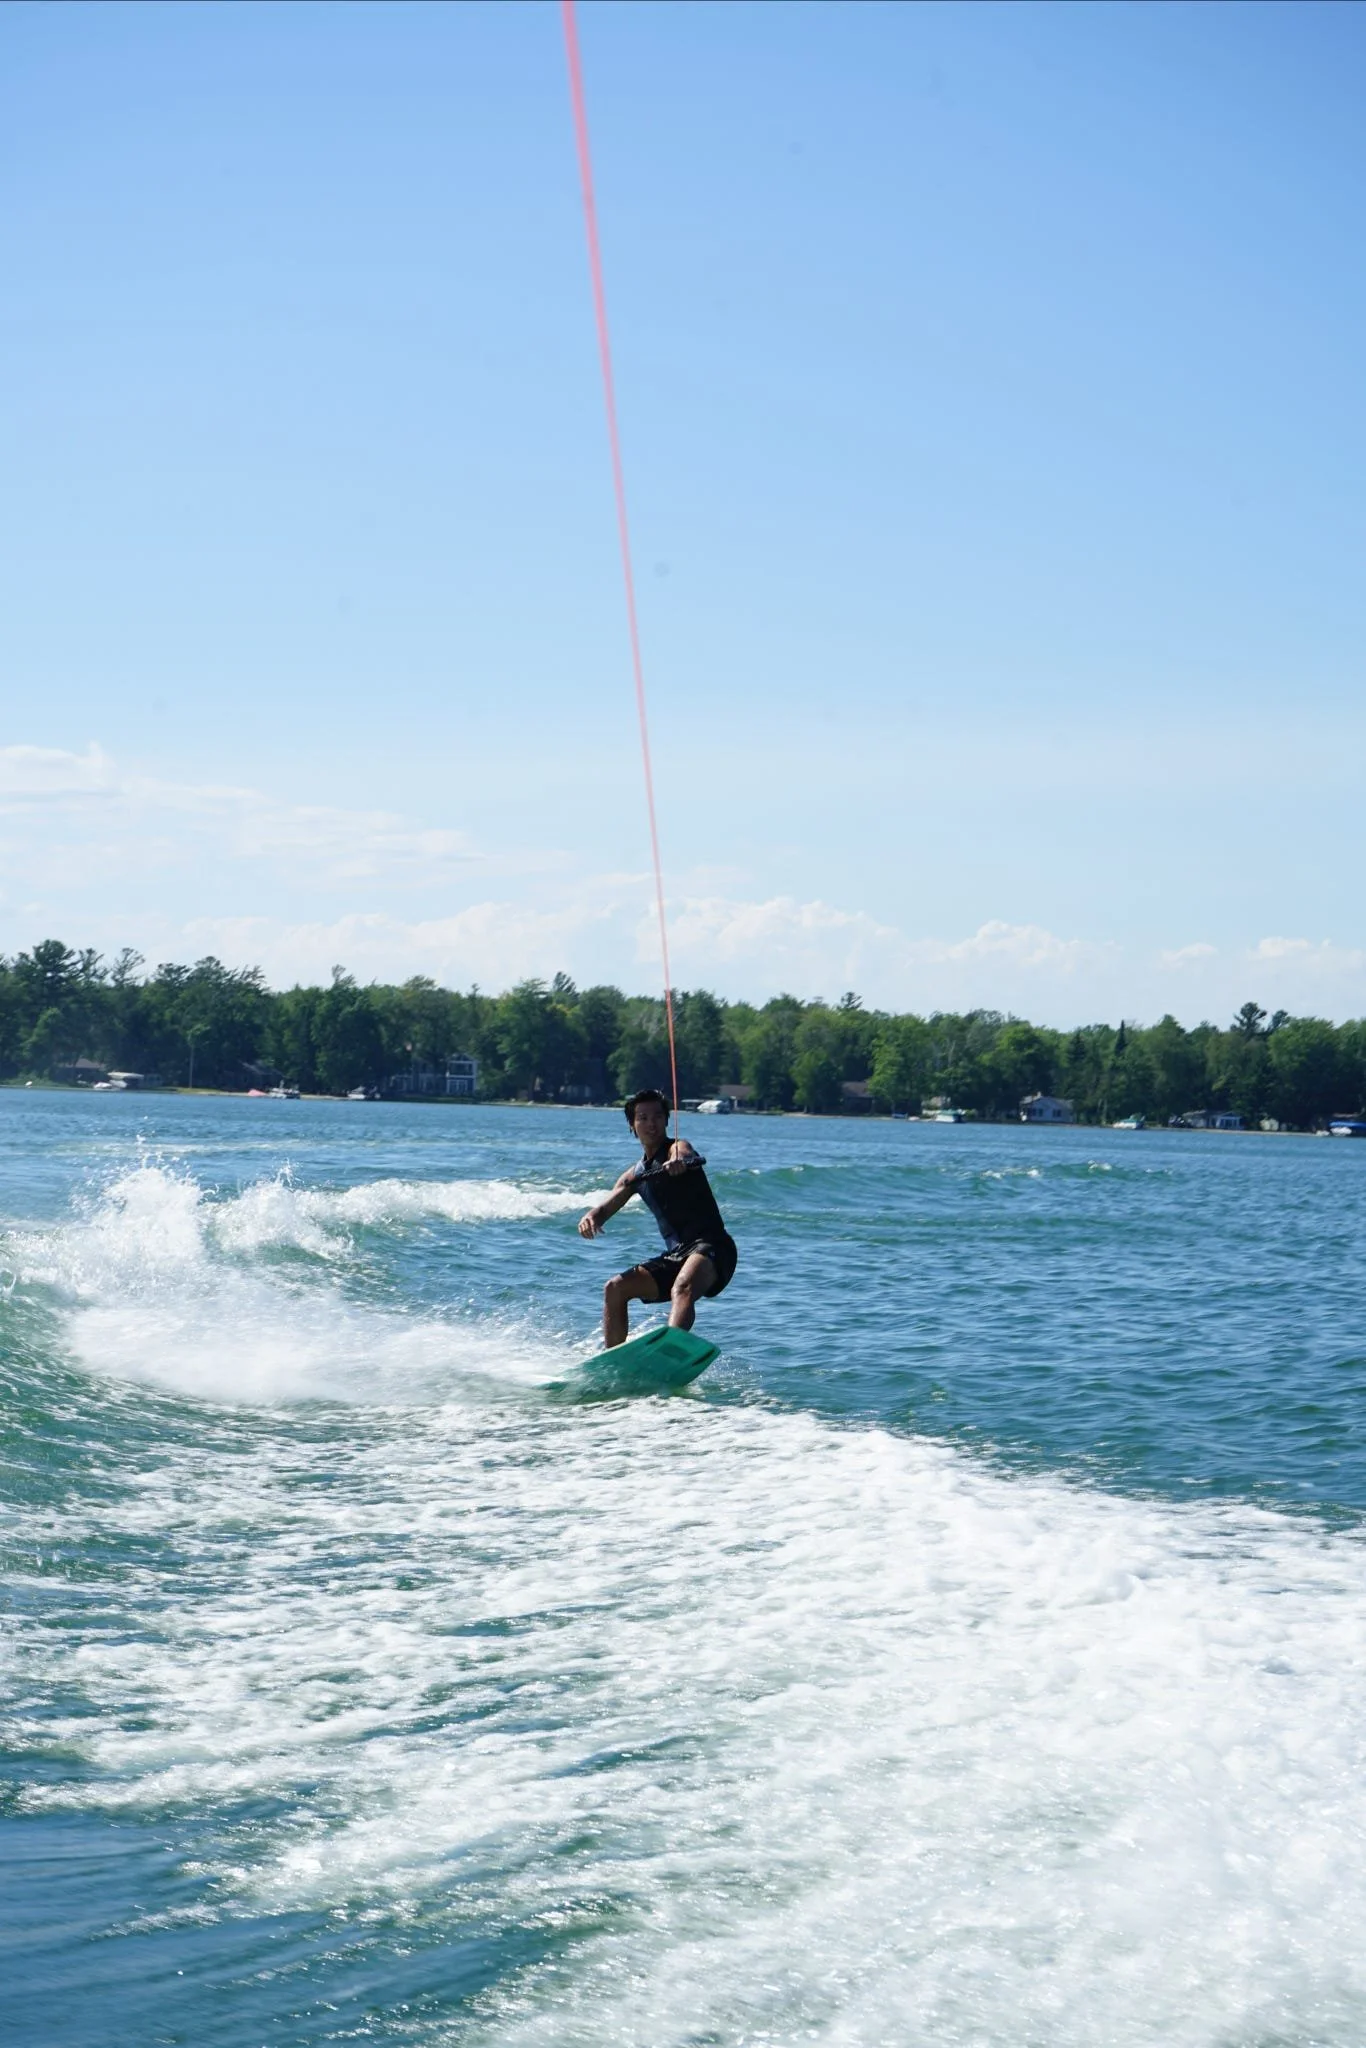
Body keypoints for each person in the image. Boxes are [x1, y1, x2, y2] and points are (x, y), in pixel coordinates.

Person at [578, 1088, 738, 1348]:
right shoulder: (634, 1175)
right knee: (615, 1288)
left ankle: (670, 1349)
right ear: (632, 1125)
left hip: (713, 1246)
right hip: (676, 1255)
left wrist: (679, 1162)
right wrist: (592, 1216)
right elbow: (607, 1207)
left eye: (656, 1116)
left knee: (682, 1287)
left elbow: (683, 1152)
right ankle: (614, 1360)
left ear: (666, 1120)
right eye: (642, 1118)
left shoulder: (677, 1147)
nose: (650, 1123)